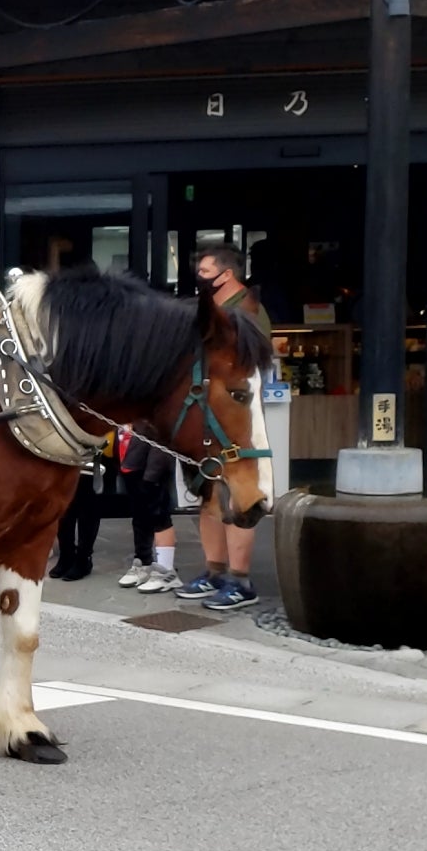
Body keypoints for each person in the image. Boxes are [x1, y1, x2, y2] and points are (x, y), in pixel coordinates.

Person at [177, 242, 272, 612]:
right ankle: (215, 571)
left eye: (205, 272)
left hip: (238, 415)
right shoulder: (213, 309)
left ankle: (241, 581)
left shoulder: (249, 311)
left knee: (240, 495)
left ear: (226, 274)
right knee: (208, 494)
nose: (200, 279)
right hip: (209, 412)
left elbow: (251, 367)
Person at [116, 420, 181, 592]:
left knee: (160, 517)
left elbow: (162, 439)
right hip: (132, 464)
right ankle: (143, 562)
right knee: (139, 517)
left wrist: (153, 473)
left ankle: (166, 571)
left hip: (153, 467)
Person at [49, 466, 102, 580]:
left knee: (88, 509)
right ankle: (66, 556)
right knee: (65, 509)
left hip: (92, 459)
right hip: (65, 459)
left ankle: (84, 559)